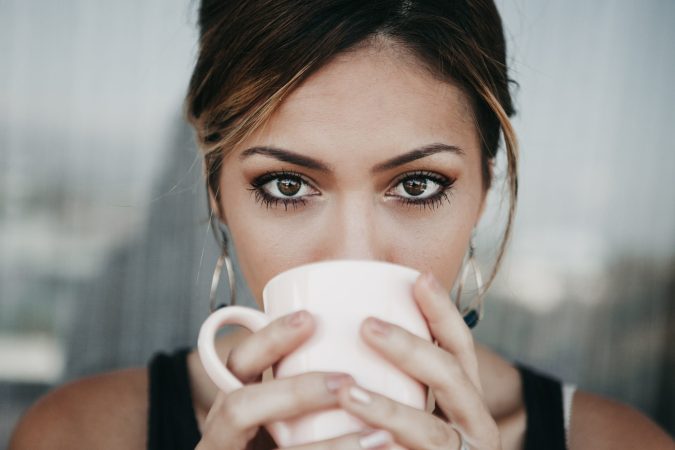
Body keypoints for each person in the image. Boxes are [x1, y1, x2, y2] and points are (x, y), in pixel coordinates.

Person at [9, 1, 674, 449]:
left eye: (416, 186)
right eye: (286, 186)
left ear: (482, 191)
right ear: (216, 193)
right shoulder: (80, 433)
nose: (353, 251)